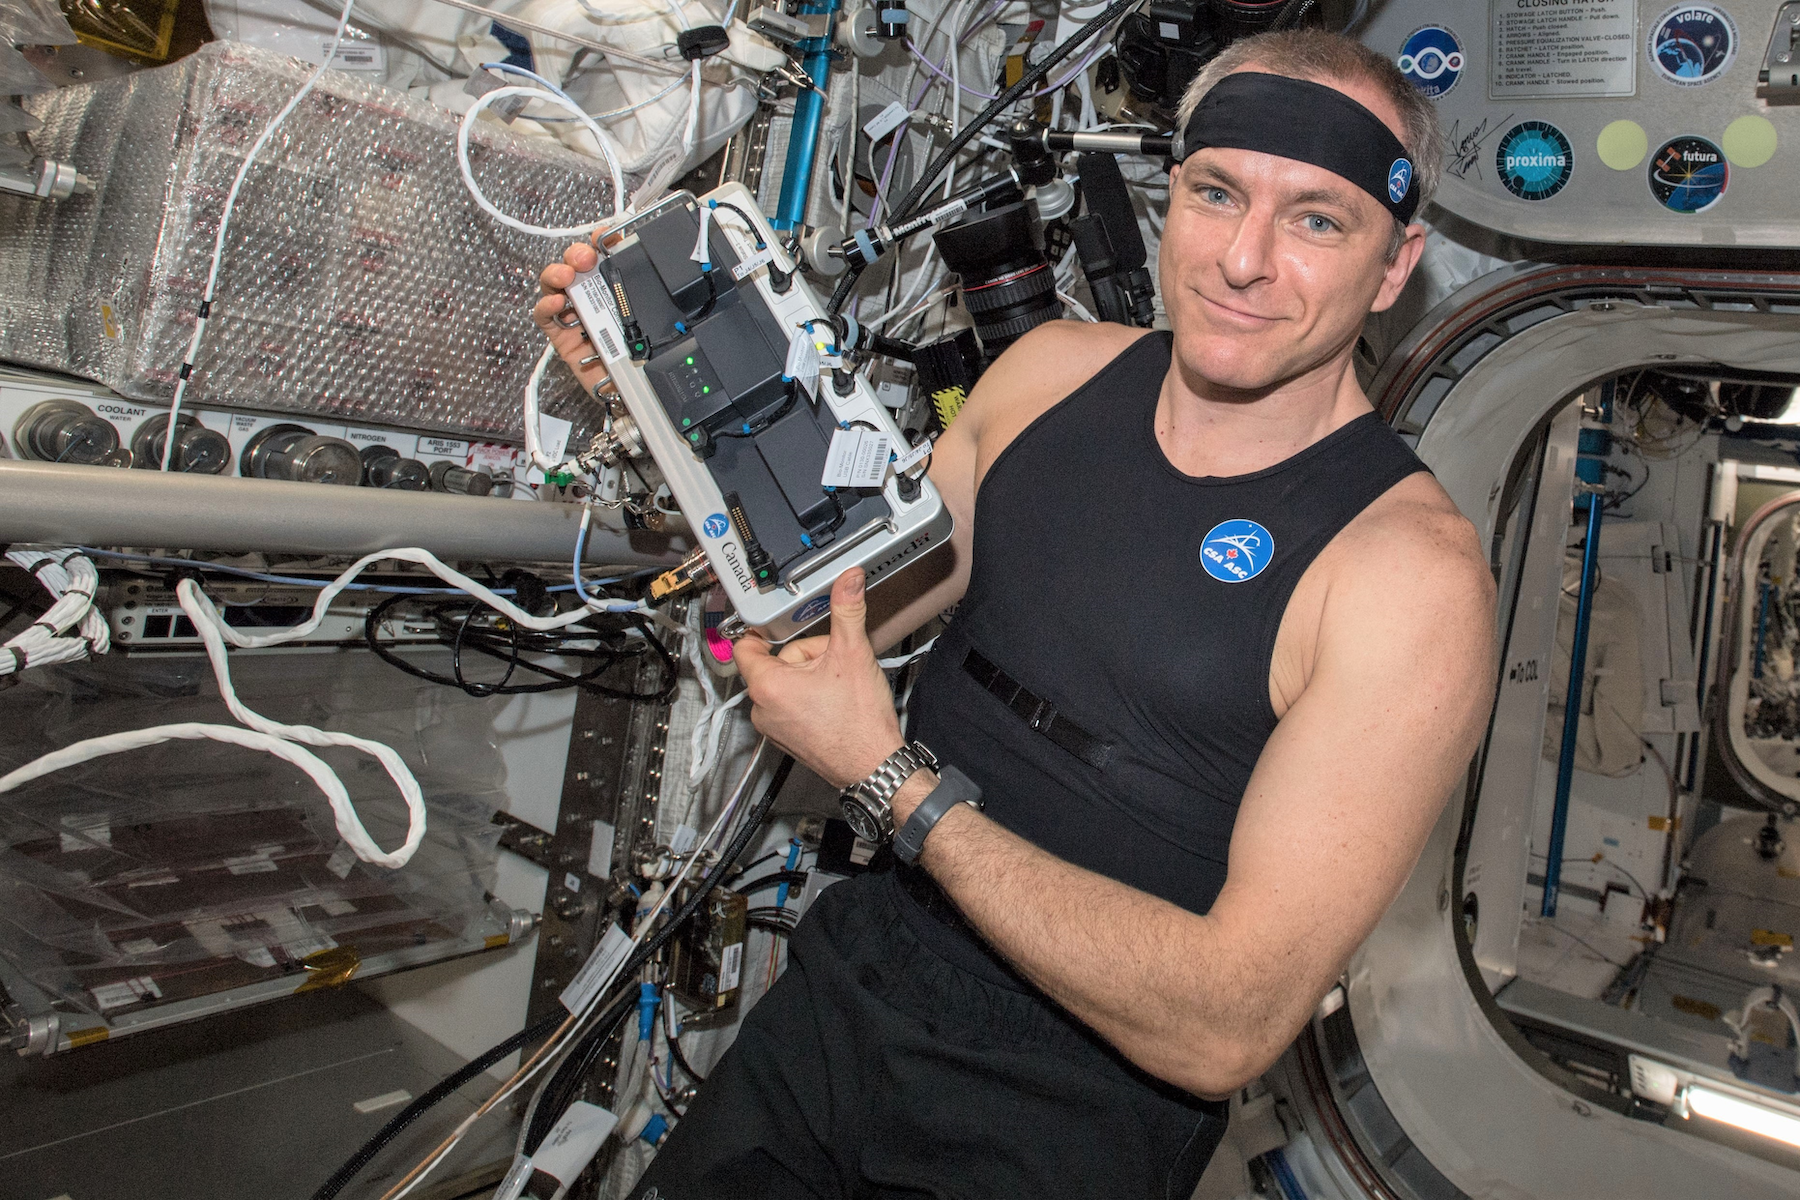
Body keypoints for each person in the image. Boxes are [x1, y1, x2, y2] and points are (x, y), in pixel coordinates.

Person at [533, 28, 1497, 1200]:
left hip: (1071, 1105)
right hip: (852, 989)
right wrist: (665, 409)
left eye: (1316, 220)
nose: (1243, 259)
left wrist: (892, 782)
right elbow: (817, 615)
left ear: (1396, 268)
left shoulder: (1408, 575)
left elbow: (1226, 1025)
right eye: (1215, 192)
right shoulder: (1045, 374)